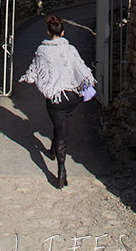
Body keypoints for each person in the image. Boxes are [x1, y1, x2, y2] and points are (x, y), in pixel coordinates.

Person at [19, 14, 97, 189]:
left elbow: (33, 73)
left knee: (60, 125)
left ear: (48, 32)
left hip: (55, 98)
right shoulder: (70, 49)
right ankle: (53, 149)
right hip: (73, 97)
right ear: (62, 32)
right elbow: (81, 68)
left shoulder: (41, 51)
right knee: (61, 121)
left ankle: (61, 171)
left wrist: (26, 78)